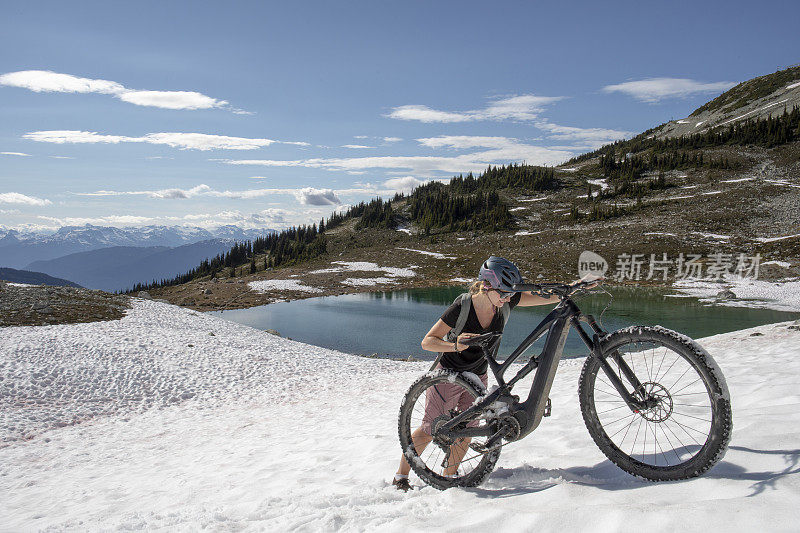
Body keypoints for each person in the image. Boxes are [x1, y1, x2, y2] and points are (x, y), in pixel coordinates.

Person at [392, 256, 591, 491]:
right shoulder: (463, 306)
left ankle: (449, 481)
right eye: (504, 293)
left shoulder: (504, 302)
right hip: (448, 374)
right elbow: (428, 342)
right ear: (486, 286)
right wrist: (455, 345)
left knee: (467, 432)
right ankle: (401, 476)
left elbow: (544, 297)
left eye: (510, 294)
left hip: (478, 375)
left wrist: (577, 286)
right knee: (429, 430)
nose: (508, 298)